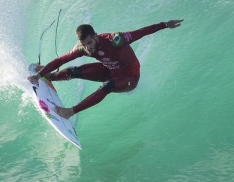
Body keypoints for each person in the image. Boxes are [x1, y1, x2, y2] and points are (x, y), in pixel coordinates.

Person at [28, 19, 183, 118]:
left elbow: (141, 32)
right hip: (109, 70)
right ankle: (49, 76)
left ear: (96, 36)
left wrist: (165, 25)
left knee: (107, 85)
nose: (87, 48)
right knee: (73, 70)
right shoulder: (84, 48)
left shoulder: (116, 40)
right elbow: (62, 59)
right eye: (84, 44)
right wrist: (39, 75)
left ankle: (70, 112)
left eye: (89, 43)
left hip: (130, 77)